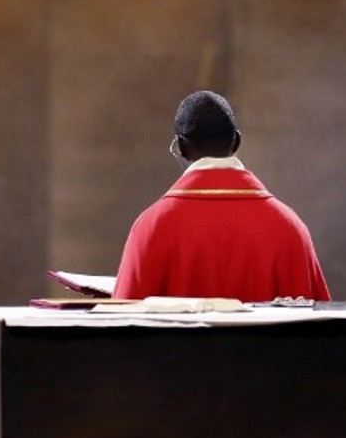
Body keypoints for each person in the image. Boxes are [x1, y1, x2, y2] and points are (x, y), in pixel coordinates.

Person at [113, 90, 331, 303]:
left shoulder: (151, 227)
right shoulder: (289, 227)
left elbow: (122, 327)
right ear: (236, 142)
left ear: (181, 147)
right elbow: (324, 331)